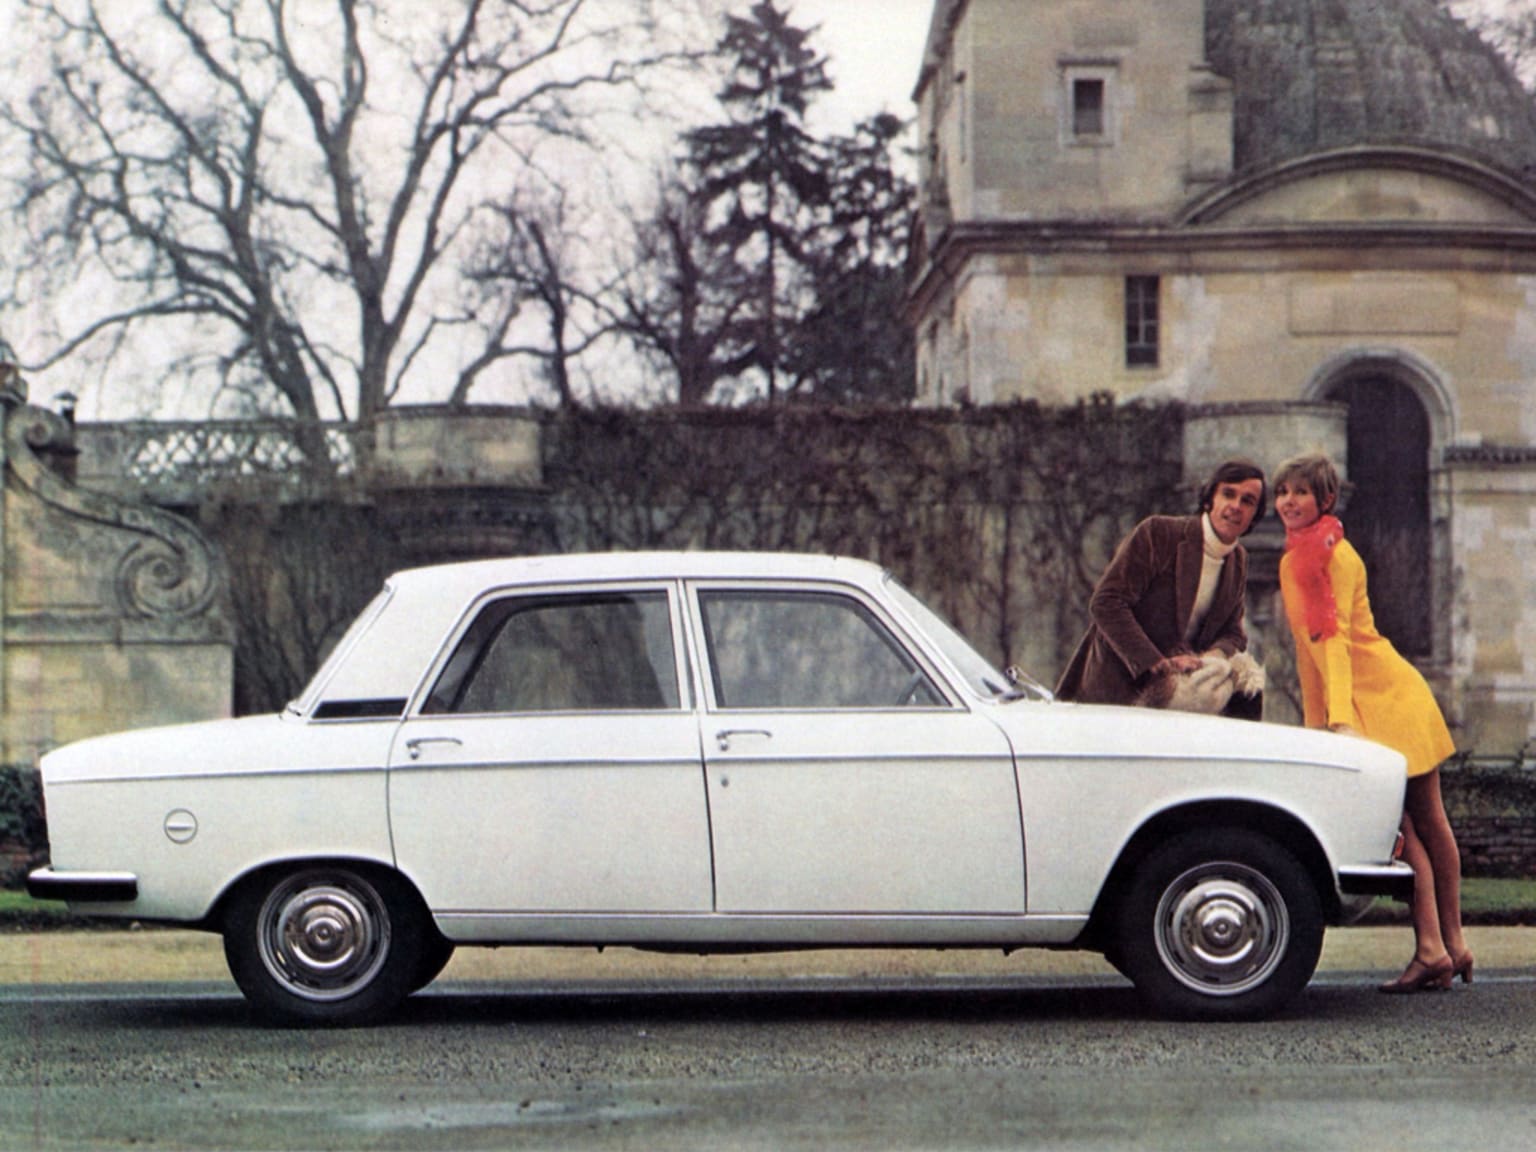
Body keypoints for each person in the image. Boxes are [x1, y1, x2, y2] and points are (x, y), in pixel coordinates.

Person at [1273, 453, 1470, 994]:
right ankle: (1450, 945)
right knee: (1422, 823)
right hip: (1380, 693)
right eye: (1282, 492)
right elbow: (1307, 650)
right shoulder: (1309, 553)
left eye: (1300, 492)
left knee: (1414, 827)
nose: (1288, 501)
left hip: (1380, 699)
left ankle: (1437, 949)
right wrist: (1318, 721)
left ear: (1325, 501)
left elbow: (1331, 642)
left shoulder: (1318, 557)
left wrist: (1335, 722)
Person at [1055, 458, 1267, 717]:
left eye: (1247, 501)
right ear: (1210, 498)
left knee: (1249, 691)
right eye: (1228, 494)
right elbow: (1107, 602)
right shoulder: (1159, 533)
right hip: (1120, 693)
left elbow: (1233, 633)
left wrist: (1209, 659)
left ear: (1256, 514)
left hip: (1183, 694)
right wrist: (1157, 662)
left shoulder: (1238, 560)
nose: (1236, 506)